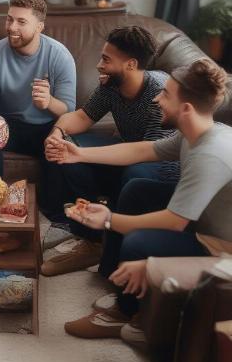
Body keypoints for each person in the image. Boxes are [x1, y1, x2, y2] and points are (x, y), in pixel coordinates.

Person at [45, 59, 231, 342]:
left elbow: (173, 222)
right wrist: (79, 154)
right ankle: (115, 280)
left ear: (186, 109)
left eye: (166, 94)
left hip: (219, 243)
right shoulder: (198, 133)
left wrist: (108, 219)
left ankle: (125, 312)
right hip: (203, 217)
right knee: (137, 189)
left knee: (138, 242)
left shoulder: (209, 155)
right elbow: (143, 150)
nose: (157, 98)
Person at [41, 26, 179, 276]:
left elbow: (148, 151)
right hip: (129, 156)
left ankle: (114, 247)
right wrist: (58, 133)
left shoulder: (158, 93)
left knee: (134, 173)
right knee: (67, 154)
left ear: (130, 64)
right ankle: (91, 242)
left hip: (159, 165)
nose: (98, 65)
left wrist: (83, 153)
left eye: (106, 59)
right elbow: (84, 116)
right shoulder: (111, 86)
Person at [0, 0, 76, 205]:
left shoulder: (59, 55)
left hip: (45, 127)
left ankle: (54, 215)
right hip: (7, 125)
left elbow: (70, 111)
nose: (11, 27)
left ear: (39, 27)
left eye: (21, 22)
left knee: (59, 143)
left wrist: (49, 102)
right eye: (9, 19)